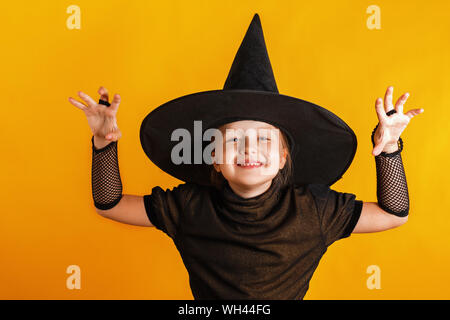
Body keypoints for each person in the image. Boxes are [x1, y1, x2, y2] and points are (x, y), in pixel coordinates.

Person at [68, 13, 424, 299]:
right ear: (214, 157)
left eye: (264, 139)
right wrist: (104, 144)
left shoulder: (314, 210)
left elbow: (394, 215)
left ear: (284, 157)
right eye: (234, 139)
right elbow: (109, 205)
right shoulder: (187, 206)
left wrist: (389, 148)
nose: (250, 148)